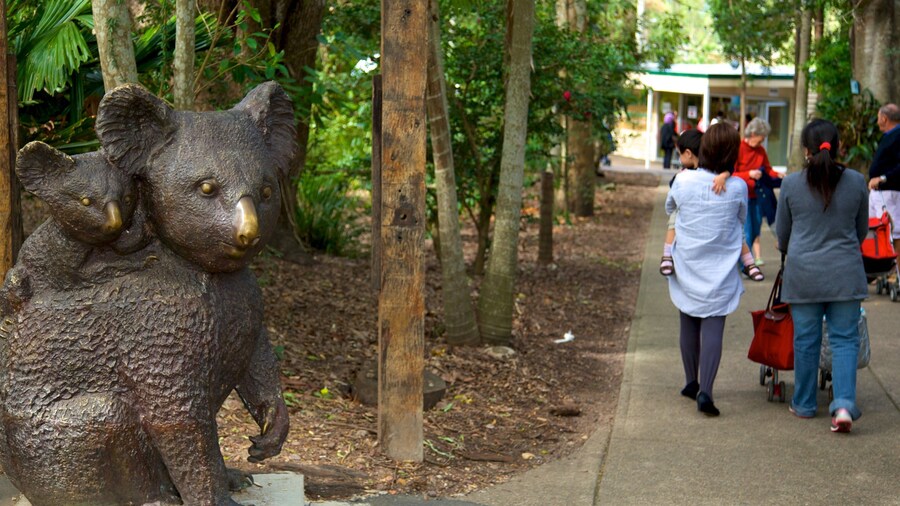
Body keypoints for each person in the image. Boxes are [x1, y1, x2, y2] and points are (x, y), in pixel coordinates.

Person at [775, 119, 868, 433]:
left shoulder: (790, 184)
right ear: (839, 146)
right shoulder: (856, 182)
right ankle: (843, 405)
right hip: (845, 274)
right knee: (844, 341)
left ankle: (803, 404)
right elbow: (861, 230)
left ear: (805, 149)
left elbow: (783, 237)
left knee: (806, 341)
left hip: (804, 274)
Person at [665, 123, 747, 417]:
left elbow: (669, 208)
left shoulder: (683, 181)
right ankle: (706, 392)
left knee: (688, 321)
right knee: (713, 326)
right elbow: (742, 217)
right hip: (720, 269)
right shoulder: (738, 187)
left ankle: (690, 381)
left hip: (688, 263)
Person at [659, 129, 763, 282]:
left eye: (679, 154)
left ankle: (749, 262)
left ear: (688, 153)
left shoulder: (686, 176)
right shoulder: (686, 175)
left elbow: (669, 206)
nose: (679, 159)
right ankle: (667, 255)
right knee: (737, 228)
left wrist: (723, 175)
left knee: (737, 229)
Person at [733, 117, 784, 265]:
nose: (762, 141)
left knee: (755, 231)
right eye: (762, 138)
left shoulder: (761, 151)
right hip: (743, 197)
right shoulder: (738, 148)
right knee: (747, 232)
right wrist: (748, 174)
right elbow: (732, 174)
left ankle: (746, 264)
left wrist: (778, 175)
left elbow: (768, 170)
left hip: (758, 196)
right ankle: (745, 265)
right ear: (753, 133)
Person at [866, 104, 900, 254]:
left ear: (884, 118)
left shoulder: (898, 135)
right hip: (878, 192)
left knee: (894, 234)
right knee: (872, 230)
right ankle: (879, 269)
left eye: (879, 118)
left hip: (889, 192)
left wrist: (882, 178)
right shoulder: (889, 136)